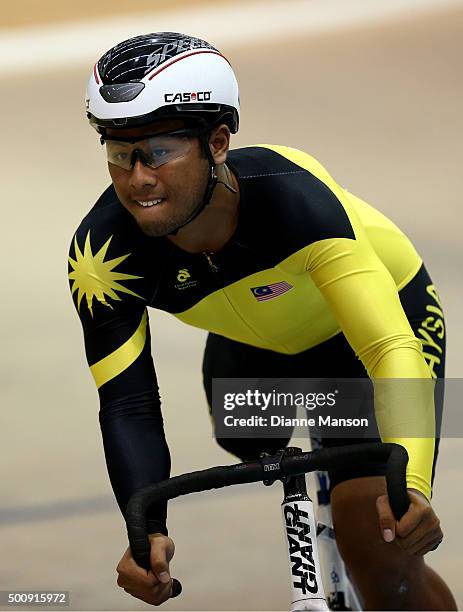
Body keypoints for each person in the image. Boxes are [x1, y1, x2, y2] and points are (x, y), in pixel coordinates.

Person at [69, 32, 456, 609]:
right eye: (120, 154)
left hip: (367, 338)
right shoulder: (102, 257)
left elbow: (389, 348)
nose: (137, 179)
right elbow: (128, 402)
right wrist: (144, 529)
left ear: (218, 143)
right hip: (254, 347)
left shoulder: (296, 202)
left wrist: (413, 488)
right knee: (246, 438)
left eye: (157, 152)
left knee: (381, 547)